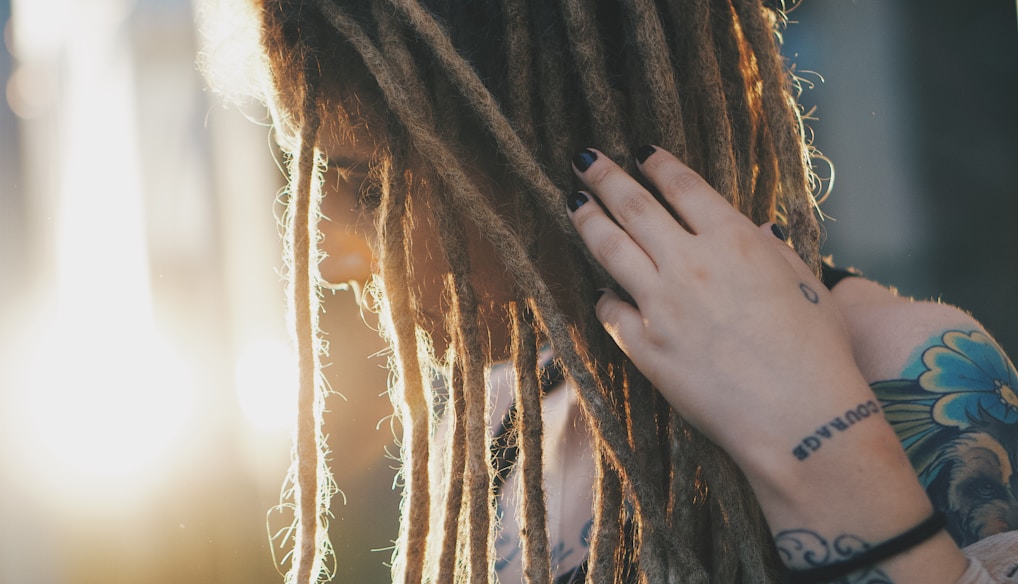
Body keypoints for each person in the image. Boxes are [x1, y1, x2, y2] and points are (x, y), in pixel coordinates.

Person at [239, 0, 1018, 582]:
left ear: (531, 143)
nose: (331, 262)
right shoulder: (500, 422)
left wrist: (819, 440)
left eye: (371, 188)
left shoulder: (918, 372)